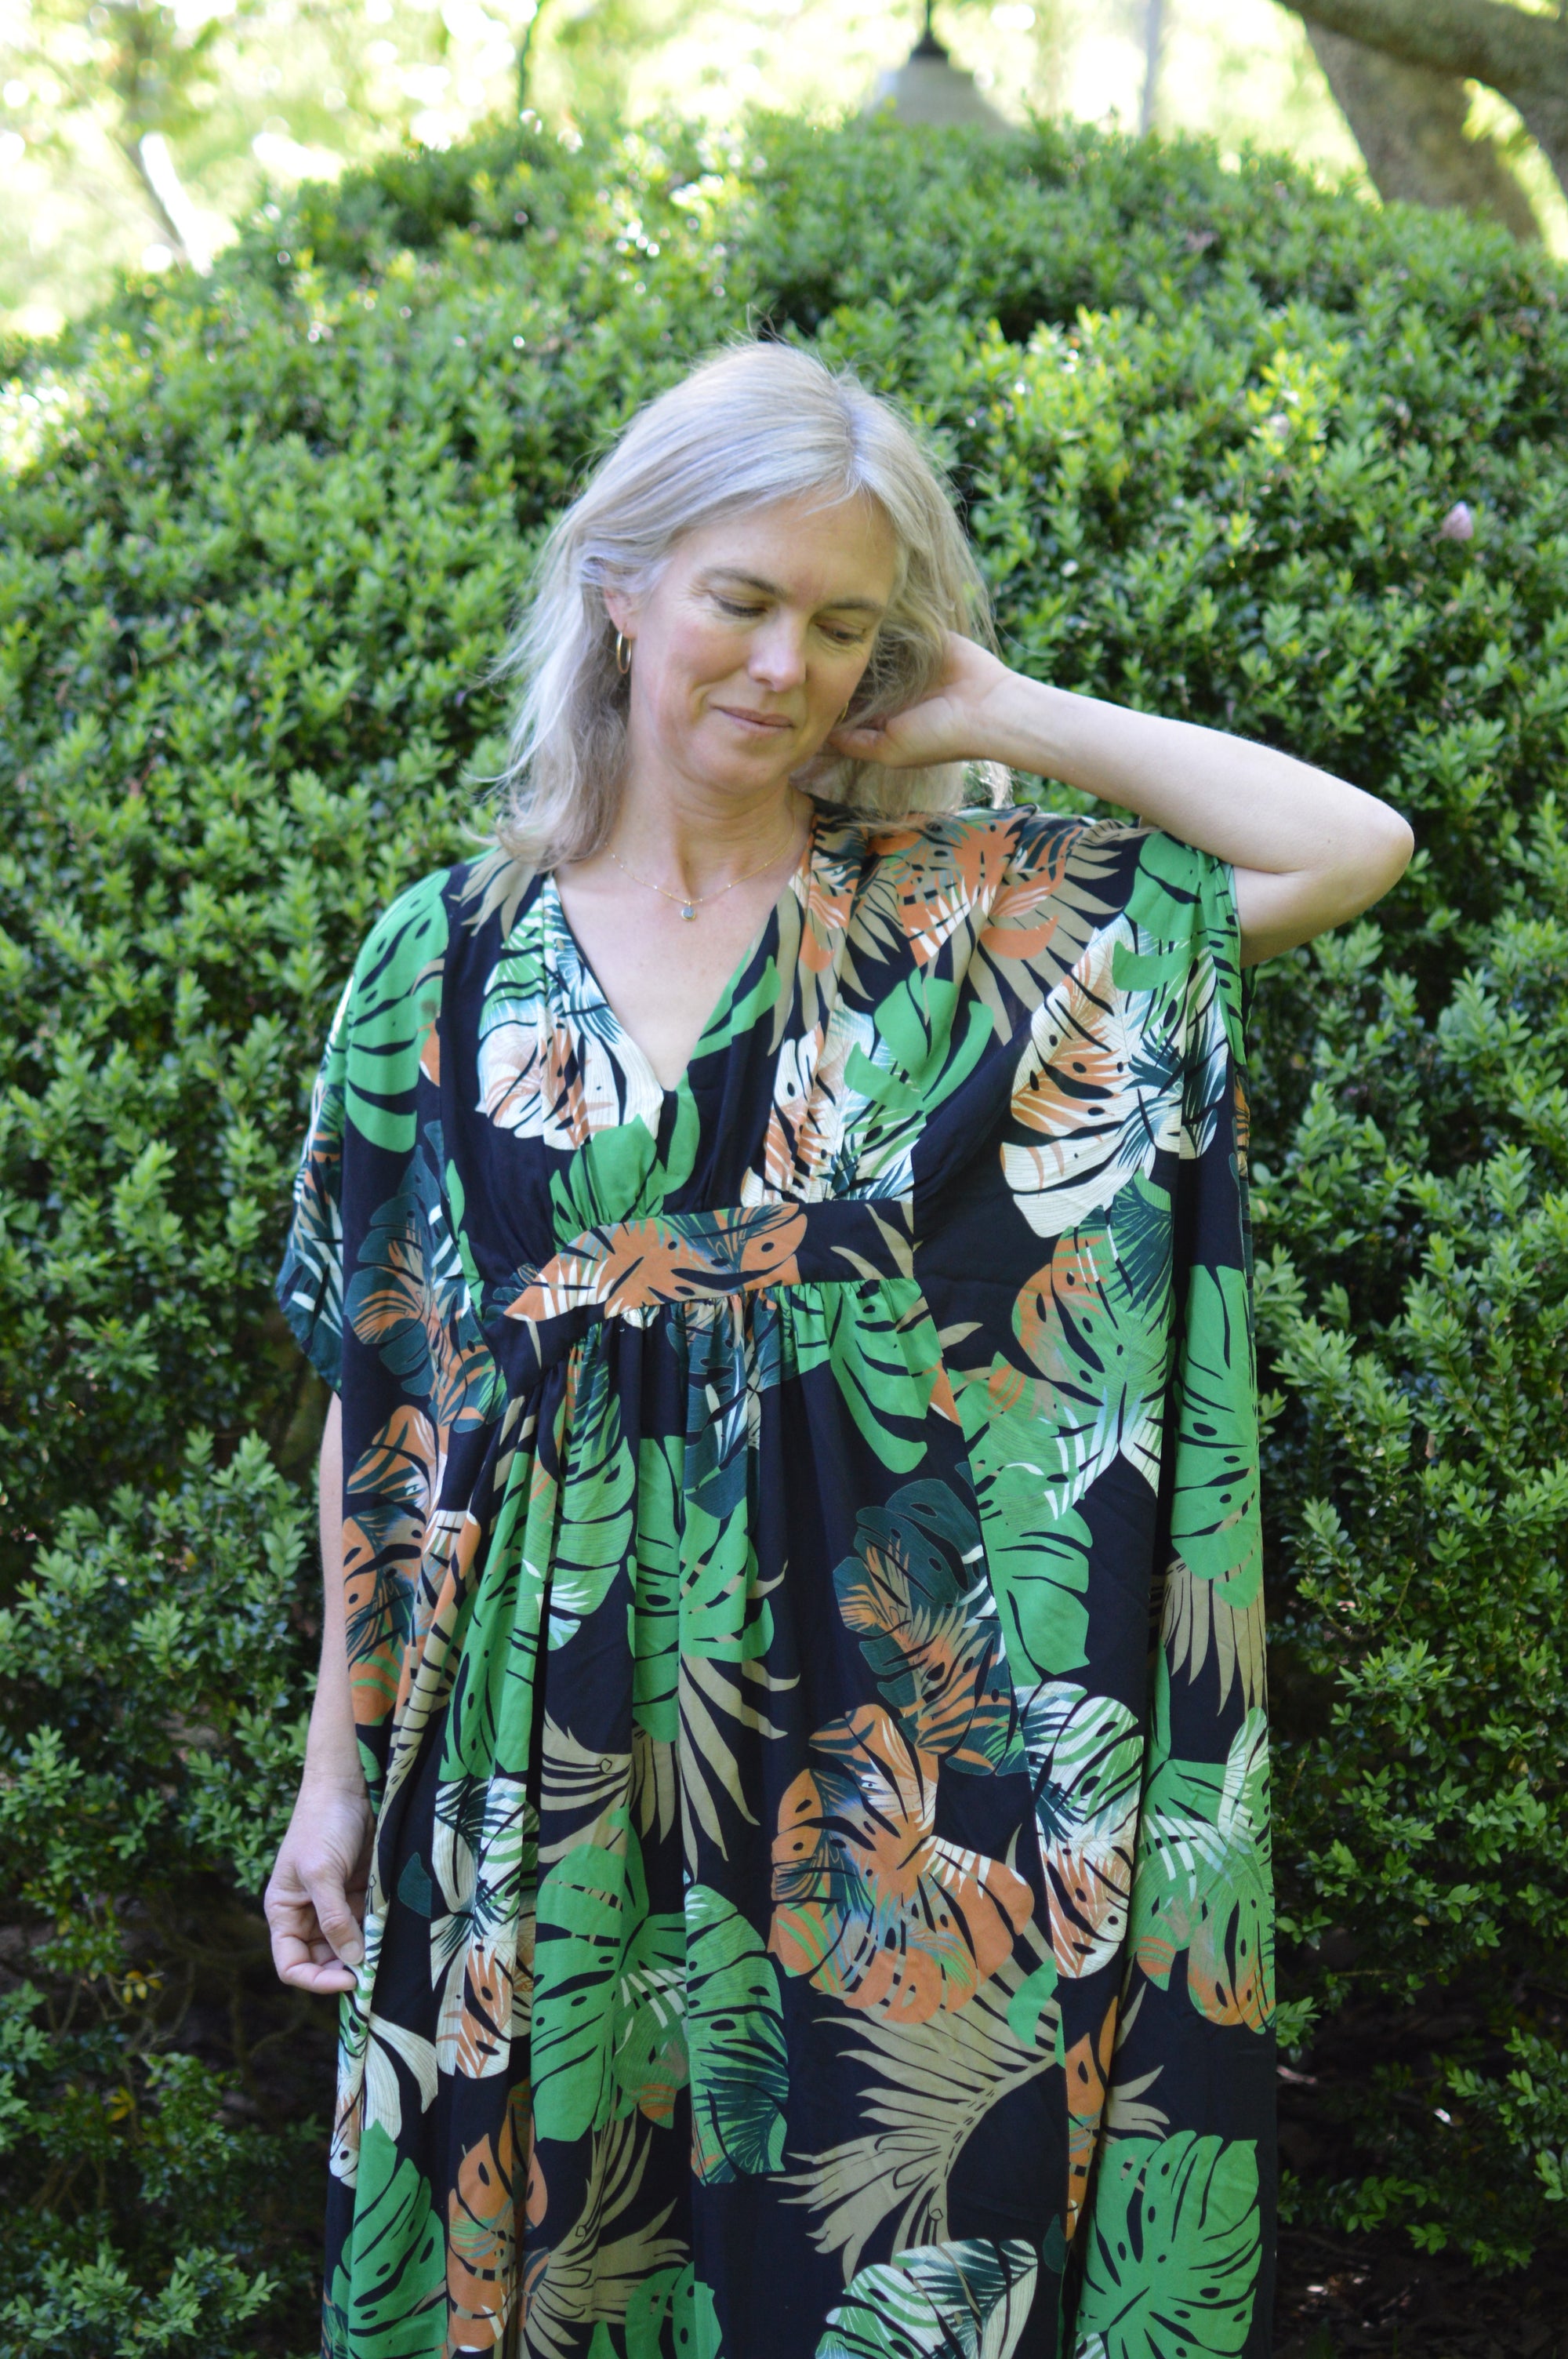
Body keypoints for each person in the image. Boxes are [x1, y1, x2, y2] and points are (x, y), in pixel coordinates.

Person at [266, 340, 1411, 2359]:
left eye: (842, 625)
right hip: (533, 1746)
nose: (784, 665)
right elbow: (382, 1411)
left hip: (890, 1776)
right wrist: (331, 1783)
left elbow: (1338, 848)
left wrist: (985, 706)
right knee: (546, 2263)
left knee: (872, 2269)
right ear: (619, 584)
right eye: (740, 599)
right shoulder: (435, 956)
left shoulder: (962, 927)